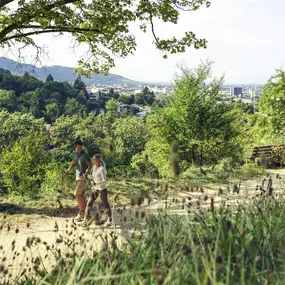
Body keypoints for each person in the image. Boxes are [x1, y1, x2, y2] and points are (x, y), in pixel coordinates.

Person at [78, 154, 112, 227]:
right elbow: (93, 177)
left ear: (98, 160)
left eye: (94, 159)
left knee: (105, 204)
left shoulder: (101, 169)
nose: (93, 161)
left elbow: (104, 180)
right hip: (95, 189)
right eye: (92, 159)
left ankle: (110, 220)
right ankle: (85, 221)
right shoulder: (94, 167)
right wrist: (87, 176)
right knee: (89, 203)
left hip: (102, 189)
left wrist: (96, 183)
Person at [64, 139, 92, 222]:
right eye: (78, 147)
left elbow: (90, 166)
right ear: (75, 147)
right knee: (81, 195)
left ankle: (81, 212)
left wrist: (85, 173)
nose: (80, 149)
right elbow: (73, 163)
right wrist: (68, 170)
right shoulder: (74, 154)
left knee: (76, 194)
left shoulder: (85, 155)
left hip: (83, 177)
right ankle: (87, 213)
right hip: (77, 176)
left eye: (81, 147)